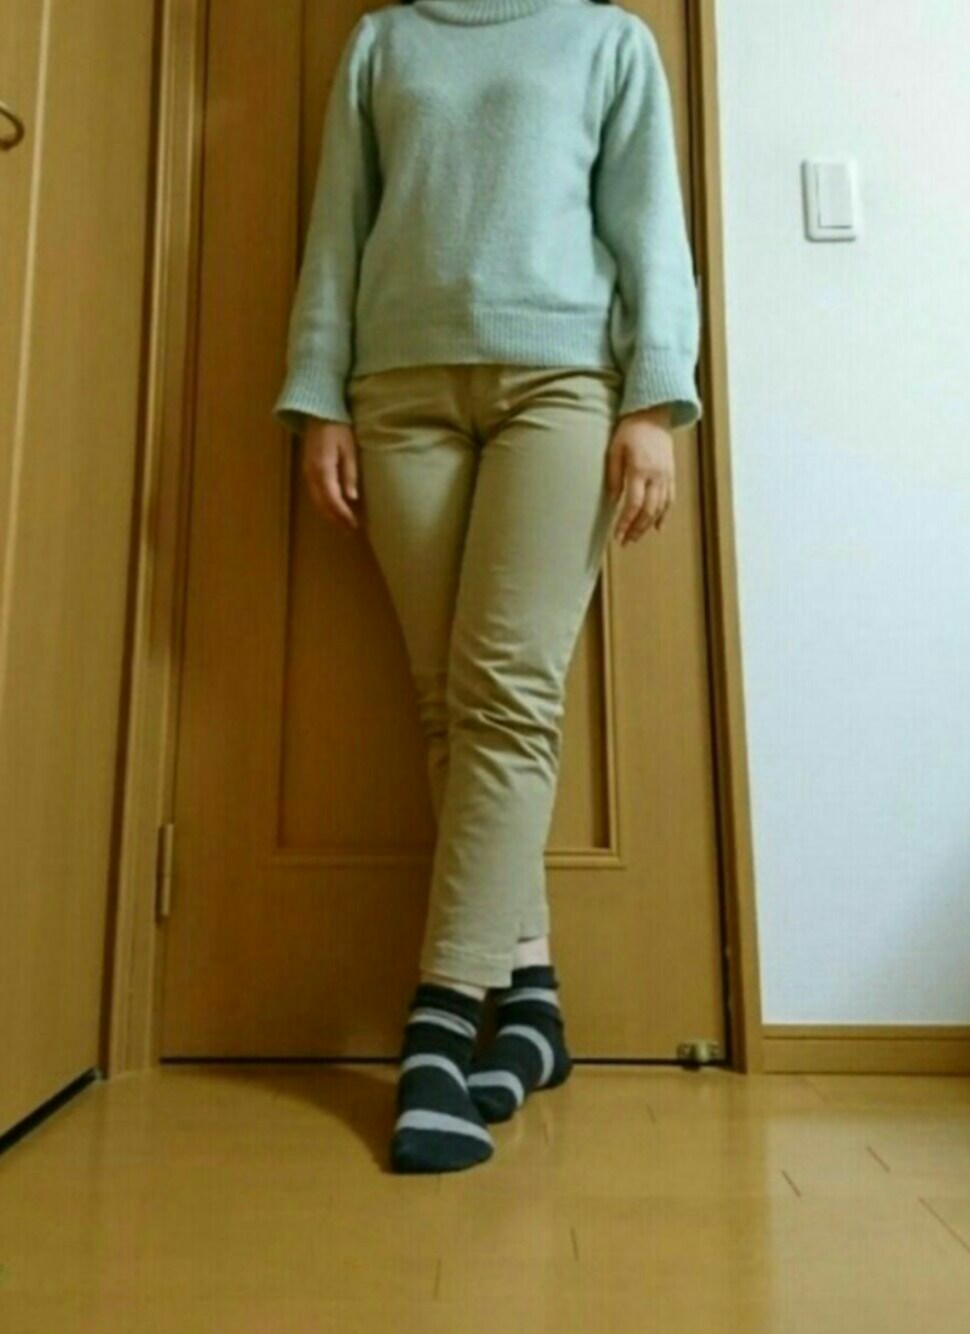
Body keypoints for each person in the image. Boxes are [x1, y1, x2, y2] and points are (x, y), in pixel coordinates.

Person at [272, 0, 702, 1174]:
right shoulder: (384, 40)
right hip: (395, 391)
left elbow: (648, 228)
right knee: (448, 705)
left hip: (562, 384)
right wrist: (317, 396)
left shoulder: (607, 39)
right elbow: (337, 228)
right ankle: (534, 1002)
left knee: (505, 691)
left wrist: (653, 397)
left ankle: (439, 1020)